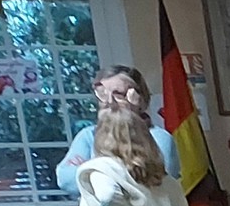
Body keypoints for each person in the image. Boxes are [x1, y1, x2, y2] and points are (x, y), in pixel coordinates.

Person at [53, 62, 179, 194]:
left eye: (118, 94)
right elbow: (65, 179)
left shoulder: (159, 138)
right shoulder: (88, 135)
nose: (109, 101)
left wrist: (90, 168)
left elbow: (154, 182)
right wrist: (128, 169)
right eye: (102, 94)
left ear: (139, 100)